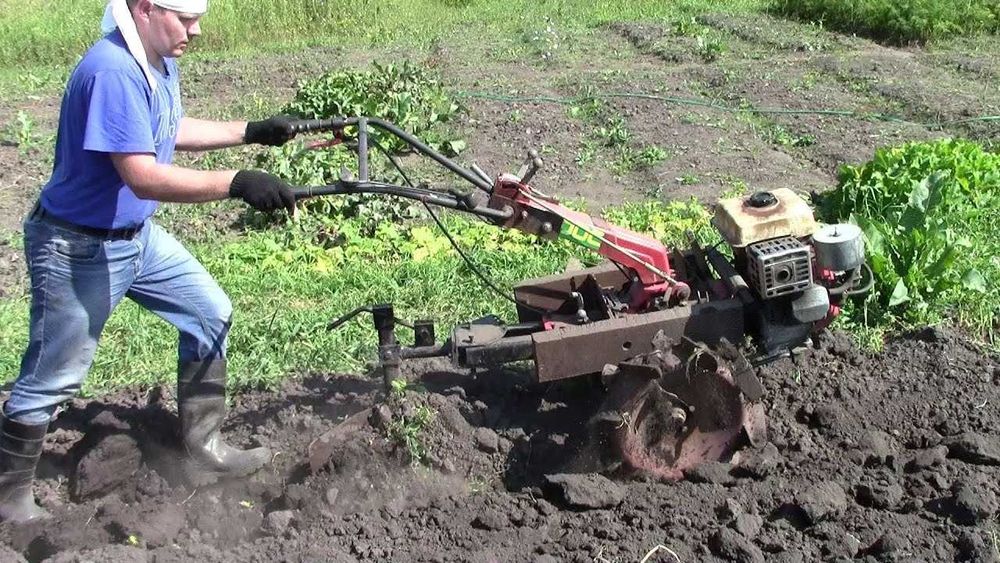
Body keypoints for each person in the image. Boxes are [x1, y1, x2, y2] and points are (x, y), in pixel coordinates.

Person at [0, 0, 302, 523]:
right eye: (185, 19)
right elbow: (143, 174)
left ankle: (204, 448)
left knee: (210, 312)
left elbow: (166, 127)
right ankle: (10, 498)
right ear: (143, 8)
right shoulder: (113, 70)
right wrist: (237, 182)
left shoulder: (156, 60)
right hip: (80, 247)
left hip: (136, 238)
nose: (196, 29)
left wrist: (250, 130)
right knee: (56, 376)